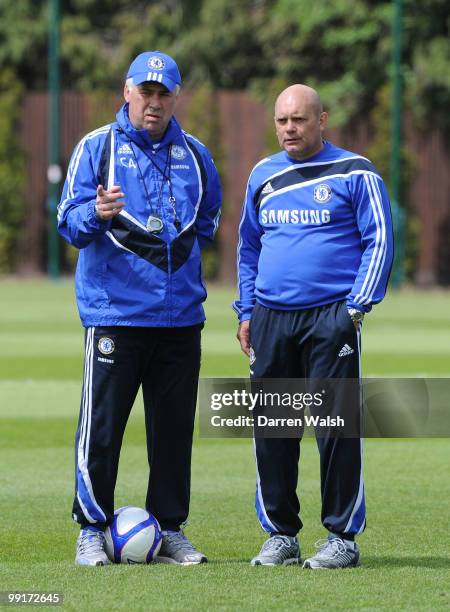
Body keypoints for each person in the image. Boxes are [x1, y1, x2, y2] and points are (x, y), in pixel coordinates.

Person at [58, 51, 222, 566]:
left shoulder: (196, 154)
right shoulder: (96, 147)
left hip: (180, 320)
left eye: (163, 93)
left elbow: (209, 219)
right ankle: (91, 529)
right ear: (127, 92)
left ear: (176, 97)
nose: (154, 102)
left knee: (173, 434)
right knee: (102, 429)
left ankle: (170, 528)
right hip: (115, 315)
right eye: (145, 91)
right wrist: (97, 213)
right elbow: (68, 221)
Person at [233, 84, 393, 568]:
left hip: (331, 318)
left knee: (335, 427)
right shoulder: (262, 174)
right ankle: (281, 534)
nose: (289, 129)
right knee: (273, 430)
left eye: (299, 120)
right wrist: (246, 311)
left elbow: (380, 237)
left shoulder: (355, 171)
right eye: (282, 121)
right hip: (271, 319)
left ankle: (342, 537)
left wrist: (355, 308)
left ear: (322, 120)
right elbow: (248, 246)